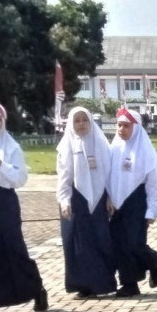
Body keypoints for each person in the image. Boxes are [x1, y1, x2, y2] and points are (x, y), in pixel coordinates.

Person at [57, 107, 117, 298]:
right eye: (77, 121)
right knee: (77, 243)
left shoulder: (100, 143)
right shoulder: (66, 145)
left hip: (99, 200)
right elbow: (64, 177)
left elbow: (110, 174)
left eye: (85, 120)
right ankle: (83, 285)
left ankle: (102, 284)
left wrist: (110, 197)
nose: (81, 124)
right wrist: (64, 200)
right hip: (76, 200)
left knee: (99, 240)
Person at [108, 108, 157, 297]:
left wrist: (151, 211)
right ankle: (130, 284)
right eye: (119, 125)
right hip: (116, 204)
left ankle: (153, 262)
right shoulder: (113, 149)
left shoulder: (146, 153)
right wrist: (109, 198)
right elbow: (107, 177)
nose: (122, 129)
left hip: (136, 203)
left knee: (134, 243)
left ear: (136, 127)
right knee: (119, 245)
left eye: (126, 126)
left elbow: (154, 185)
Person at [0, 103, 48, 312]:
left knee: (14, 248)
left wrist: (1, 166)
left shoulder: (11, 148)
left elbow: (20, 179)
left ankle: (36, 288)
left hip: (5, 202)